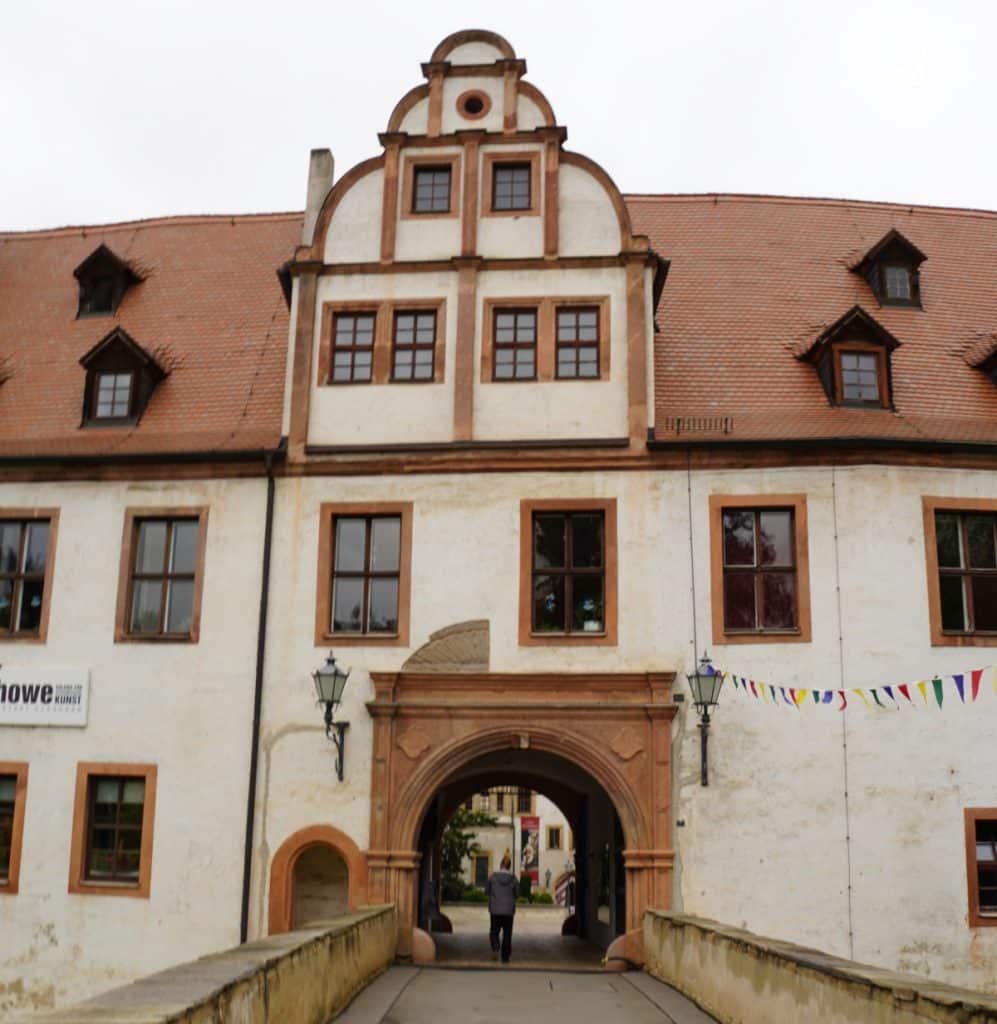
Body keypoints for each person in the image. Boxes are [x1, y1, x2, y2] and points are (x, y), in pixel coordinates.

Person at [485, 853, 517, 963]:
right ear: (509, 866)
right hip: (508, 911)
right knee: (507, 933)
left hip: (495, 909)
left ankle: (495, 946)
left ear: (500, 864)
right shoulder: (513, 879)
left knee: (494, 931)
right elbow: (517, 893)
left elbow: (487, 892)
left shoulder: (492, 877)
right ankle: (505, 957)